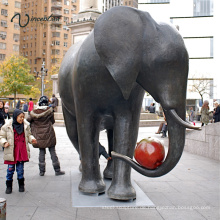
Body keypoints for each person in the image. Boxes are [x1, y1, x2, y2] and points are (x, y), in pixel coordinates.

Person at [0, 109, 37, 194]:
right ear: (16, 116)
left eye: (23, 117)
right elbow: (1, 136)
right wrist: (4, 142)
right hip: (11, 152)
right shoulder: (7, 126)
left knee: (20, 170)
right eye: (20, 117)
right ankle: (9, 186)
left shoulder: (25, 126)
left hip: (21, 152)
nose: (22, 119)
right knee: (10, 170)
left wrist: (32, 139)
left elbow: (29, 135)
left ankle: (21, 185)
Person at [27, 96, 65, 176]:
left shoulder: (34, 112)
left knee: (41, 152)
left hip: (39, 136)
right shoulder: (50, 111)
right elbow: (53, 121)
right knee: (52, 152)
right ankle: (57, 170)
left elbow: (28, 119)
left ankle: (42, 171)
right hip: (49, 134)